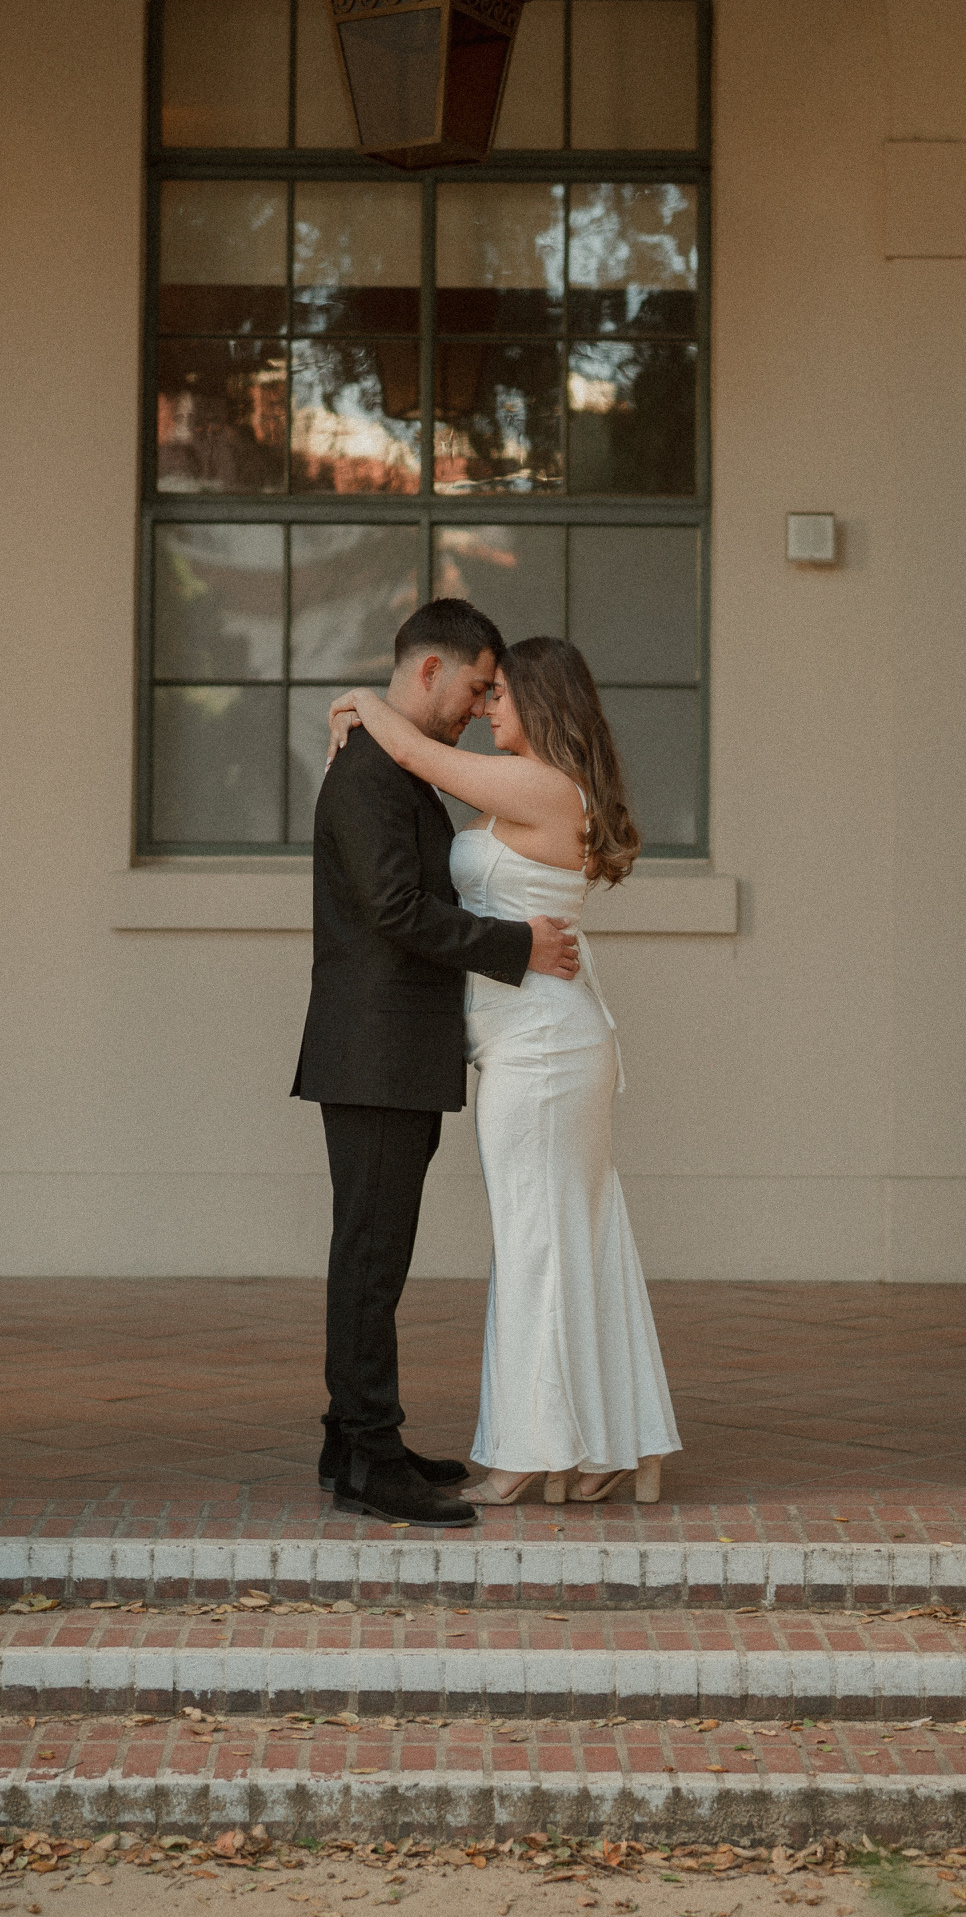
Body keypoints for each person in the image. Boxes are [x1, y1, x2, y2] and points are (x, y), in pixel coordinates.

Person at [327, 634, 680, 1506]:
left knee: (539, 1241)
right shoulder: (543, 788)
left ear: (542, 702)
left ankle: (529, 1450)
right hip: (542, 1042)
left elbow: (414, 750)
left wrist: (360, 704)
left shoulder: (542, 785)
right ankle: (604, 1447)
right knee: (577, 1235)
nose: (486, 707)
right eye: (481, 694)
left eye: (501, 695)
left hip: (543, 1052)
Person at [294, 598, 582, 1528]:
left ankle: (354, 1442)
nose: (476, 706)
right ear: (428, 671)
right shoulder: (371, 777)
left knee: (373, 1257)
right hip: (373, 1055)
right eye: (474, 686)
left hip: (392, 1053)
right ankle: (372, 1460)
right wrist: (517, 946)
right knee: (371, 1260)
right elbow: (392, 909)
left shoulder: (389, 767)